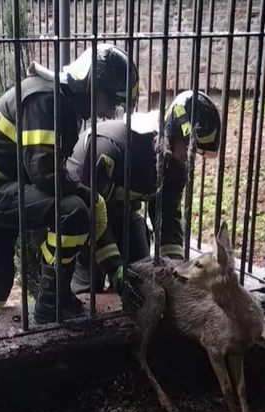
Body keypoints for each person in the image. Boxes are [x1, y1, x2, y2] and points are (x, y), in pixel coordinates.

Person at [0, 43, 143, 324]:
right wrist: (88, 195)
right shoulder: (47, 98)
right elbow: (44, 172)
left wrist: (116, 269)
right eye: (111, 102)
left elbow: (44, 171)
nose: (109, 113)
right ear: (93, 87)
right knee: (74, 211)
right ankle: (52, 303)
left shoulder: (60, 100)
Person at [67, 90, 222, 295]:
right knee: (90, 282)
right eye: (190, 147)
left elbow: (168, 220)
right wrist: (114, 266)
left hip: (124, 211)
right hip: (86, 212)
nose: (192, 156)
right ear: (175, 132)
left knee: (141, 277)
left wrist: (175, 269)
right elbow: (94, 211)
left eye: (198, 151)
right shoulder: (111, 147)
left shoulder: (176, 165)